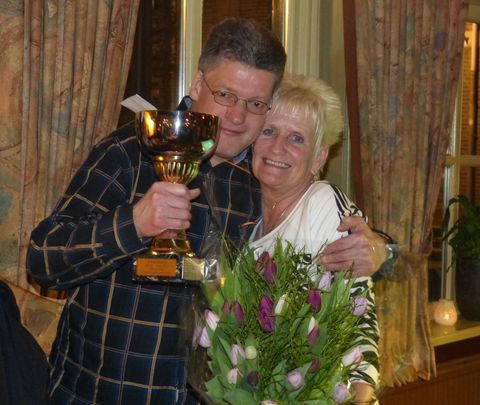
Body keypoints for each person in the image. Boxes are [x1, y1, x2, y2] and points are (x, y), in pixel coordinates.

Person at [27, 18, 385, 404]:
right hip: (100, 395)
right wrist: (134, 223)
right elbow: (43, 260)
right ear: (197, 85)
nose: (237, 117)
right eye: (225, 94)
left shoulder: (257, 178)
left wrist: (381, 249)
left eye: (255, 104)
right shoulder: (130, 153)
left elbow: (316, 232)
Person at [248, 74, 379, 403]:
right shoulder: (245, 219)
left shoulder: (323, 205)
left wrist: (360, 395)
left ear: (319, 158)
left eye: (296, 138)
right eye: (269, 131)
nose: (277, 147)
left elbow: (358, 314)